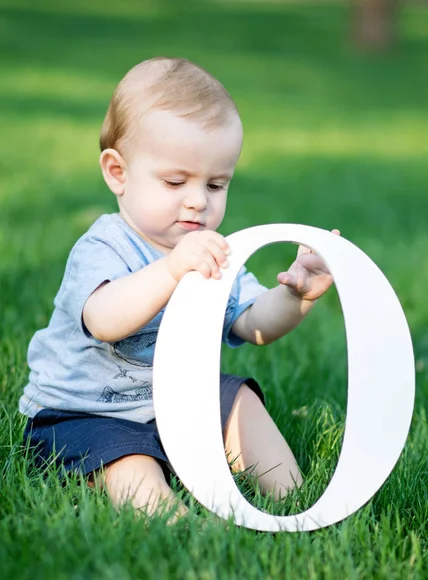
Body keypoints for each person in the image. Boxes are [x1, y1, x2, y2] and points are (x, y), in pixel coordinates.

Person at [20, 57, 338, 521]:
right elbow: (105, 320)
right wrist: (171, 271)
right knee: (129, 462)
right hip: (86, 412)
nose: (198, 200)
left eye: (216, 184)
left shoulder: (212, 250)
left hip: (178, 400)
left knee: (237, 398)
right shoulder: (104, 245)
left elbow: (253, 324)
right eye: (175, 181)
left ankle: (293, 501)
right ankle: (171, 523)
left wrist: (295, 296)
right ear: (118, 173)